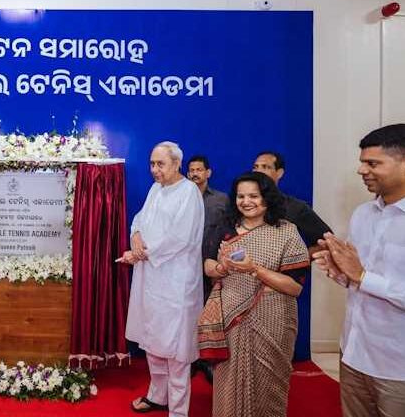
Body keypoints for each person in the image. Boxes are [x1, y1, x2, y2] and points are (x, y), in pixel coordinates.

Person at [313, 123, 405, 417]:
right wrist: (344, 275)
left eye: (373, 163)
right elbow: (362, 280)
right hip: (353, 358)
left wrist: (364, 277)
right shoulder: (364, 214)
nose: (362, 171)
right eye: (362, 162)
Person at [197, 171, 309, 417]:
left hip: (273, 319)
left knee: (269, 382)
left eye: (253, 196)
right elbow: (207, 264)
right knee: (227, 382)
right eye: (240, 196)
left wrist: (254, 269)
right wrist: (221, 267)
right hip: (231, 318)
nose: (246, 202)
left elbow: (295, 286)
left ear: (267, 198)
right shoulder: (225, 228)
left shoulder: (286, 232)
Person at [118, 141, 203, 417]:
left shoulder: (189, 193)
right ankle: (157, 396)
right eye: (152, 164)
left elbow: (180, 238)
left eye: (160, 164)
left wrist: (141, 254)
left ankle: (178, 410)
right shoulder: (157, 189)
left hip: (176, 282)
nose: (155, 170)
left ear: (177, 164)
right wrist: (135, 237)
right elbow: (140, 219)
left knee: (176, 350)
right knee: (152, 340)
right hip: (150, 278)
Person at [187, 154, 228, 383]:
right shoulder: (180, 198)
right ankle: (191, 360)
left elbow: (231, 230)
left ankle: (208, 361)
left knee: (210, 316)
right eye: (191, 170)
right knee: (189, 316)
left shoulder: (222, 200)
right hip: (184, 269)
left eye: (199, 169)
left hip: (212, 268)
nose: (194, 173)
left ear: (208, 173)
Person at [253, 151, 331, 251]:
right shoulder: (243, 205)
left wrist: (300, 260)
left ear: (279, 173)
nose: (258, 171)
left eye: (265, 167)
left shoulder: (295, 207)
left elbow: (327, 241)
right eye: (255, 167)